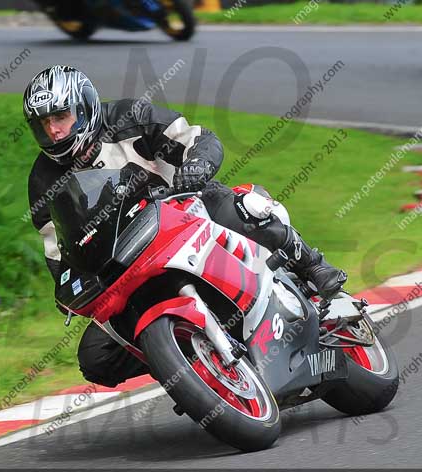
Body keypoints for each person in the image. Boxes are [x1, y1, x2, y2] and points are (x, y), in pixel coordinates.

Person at [24, 65, 346, 388]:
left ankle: (311, 264)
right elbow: (58, 250)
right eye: (44, 124)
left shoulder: (128, 118)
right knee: (96, 357)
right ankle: (184, 361)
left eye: (60, 117)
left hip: (183, 209)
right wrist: (69, 284)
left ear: (84, 108)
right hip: (125, 263)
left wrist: (195, 166)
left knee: (241, 210)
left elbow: (197, 138)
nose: (53, 131)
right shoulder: (42, 181)